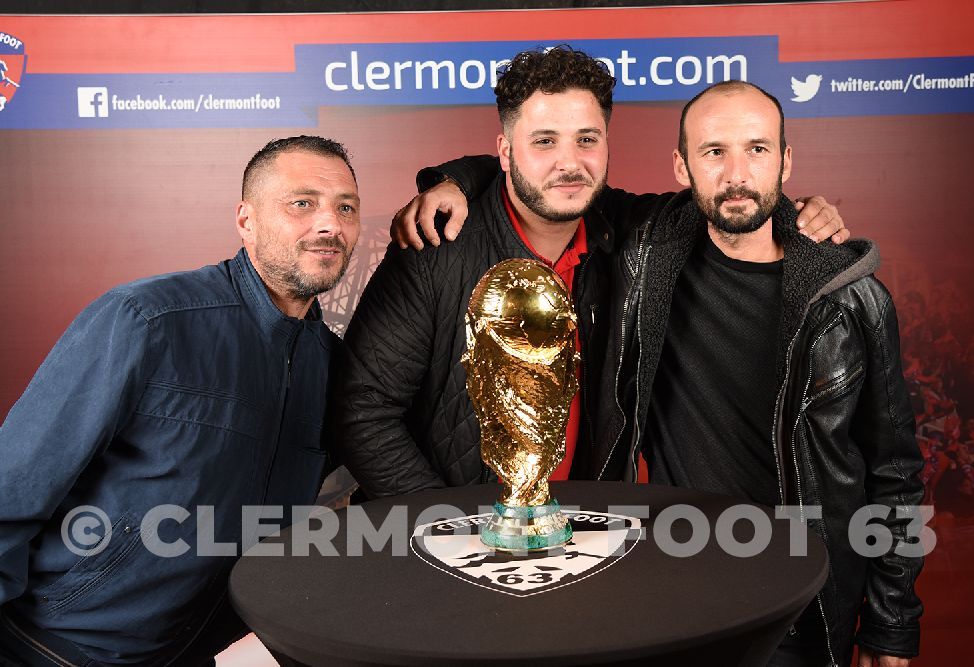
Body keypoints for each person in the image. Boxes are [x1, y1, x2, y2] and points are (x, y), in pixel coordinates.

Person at [336, 46, 847, 499]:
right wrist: (447, 526)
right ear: (505, 151)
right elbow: (363, 410)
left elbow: (729, 198)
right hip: (458, 544)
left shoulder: (630, 237)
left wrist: (797, 214)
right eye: (543, 142)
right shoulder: (437, 245)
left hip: (582, 538)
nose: (569, 163)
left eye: (586, 139)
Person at [0, 136, 360, 665]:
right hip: (58, 646)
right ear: (247, 219)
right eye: (302, 203)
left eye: (346, 207)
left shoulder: (332, 363)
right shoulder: (147, 319)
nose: (329, 224)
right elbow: (14, 486)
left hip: (196, 653)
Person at [606, 81, 923, 666]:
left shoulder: (851, 302)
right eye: (713, 152)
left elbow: (895, 473)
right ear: (681, 166)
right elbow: (545, 180)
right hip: (673, 600)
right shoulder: (646, 264)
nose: (736, 174)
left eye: (757, 149)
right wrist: (450, 181)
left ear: (786, 159)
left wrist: (892, 624)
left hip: (803, 607)